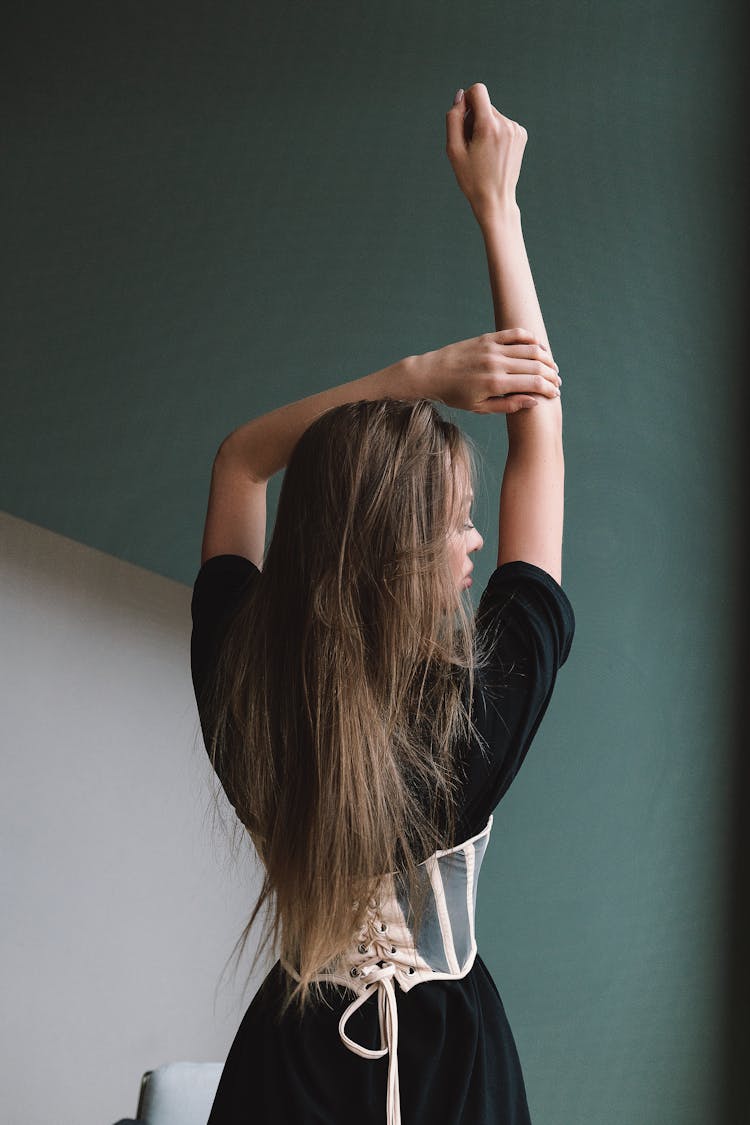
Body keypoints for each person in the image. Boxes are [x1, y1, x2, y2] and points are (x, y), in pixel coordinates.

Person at [190, 82, 574, 1125]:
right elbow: (538, 441)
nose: (475, 541)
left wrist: (408, 380)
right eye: (452, 521)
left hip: (285, 1066)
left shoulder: (248, 687)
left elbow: (241, 461)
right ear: (392, 558)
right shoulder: (472, 716)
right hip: (458, 1071)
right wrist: (500, 211)